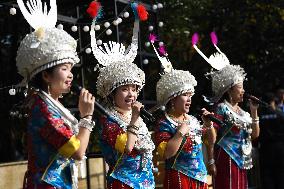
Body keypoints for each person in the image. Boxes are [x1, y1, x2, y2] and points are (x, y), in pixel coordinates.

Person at [16, 0, 95, 188]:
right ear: (46, 75)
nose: (70, 75)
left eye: (71, 69)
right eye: (64, 69)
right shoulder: (43, 110)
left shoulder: (49, 104)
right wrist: (87, 116)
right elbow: (77, 151)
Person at [89, 3, 155, 189]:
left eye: (134, 89)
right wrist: (134, 118)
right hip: (123, 183)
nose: (131, 94)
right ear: (112, 93)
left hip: (146, 183)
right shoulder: (109, 121)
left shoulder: (135, 117)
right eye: (124, 89)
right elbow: (127, 147)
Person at [192, 32, 260, 189]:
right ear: (230, 90)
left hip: (243, 160)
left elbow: (255, 135)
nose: (243, 91)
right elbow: (211, 138)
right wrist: (210, 160)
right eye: (240, 88)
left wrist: (254, 111)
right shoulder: (222, 109)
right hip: (226, 159)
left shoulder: (244, 113)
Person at [150, 36, 215, 189]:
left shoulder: (192, 119)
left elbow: (210, 141)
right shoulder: (164, 123)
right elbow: (166, 154)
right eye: (185, 95)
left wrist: (209, 124)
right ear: (172, 99)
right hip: (179, 178)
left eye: (190, 96)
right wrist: (180, 133)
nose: (189, 99)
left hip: (200, 177)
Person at [259, 91, 284, 189]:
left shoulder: (259, 116)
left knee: (267, 175)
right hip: (280, 148)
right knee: (281, 175)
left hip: (266, 149)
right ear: (273, 101)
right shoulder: (280, 114)